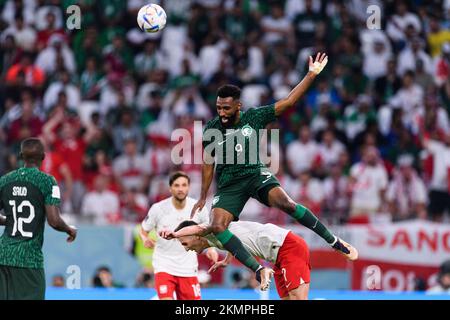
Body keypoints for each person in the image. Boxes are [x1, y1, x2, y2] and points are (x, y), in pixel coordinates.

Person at [190, 53, 357, 290]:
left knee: (287, 203)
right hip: (230, 184)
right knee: (217, 226)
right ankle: (258, 270)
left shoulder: (254, 117)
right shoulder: (212, 128)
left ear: (239, 105)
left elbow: (288, 102)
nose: (222, 113)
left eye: (226, 108)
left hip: (255, 175)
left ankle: (334, 240)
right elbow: (208, 163)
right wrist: (204, 195)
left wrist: (311, 74)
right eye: (218, 108)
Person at [162, 219, 358, 300]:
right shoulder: (218, 238)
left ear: (194, 236)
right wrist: (228, 260)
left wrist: (174, 232)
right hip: (279, 257)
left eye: (185, 243)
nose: (187, 249)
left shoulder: (210, 227)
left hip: (288, 247)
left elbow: (196, 227)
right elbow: (235, 242)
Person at [0, 137, 77, 300]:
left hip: (3, 255)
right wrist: (68, 229)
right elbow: (54, 220)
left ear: (21, 155)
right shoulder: (48, 182)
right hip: (29, 258)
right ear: (43, 157)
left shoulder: (5, 180)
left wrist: (9, 220)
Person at [139, 171, 218, 300]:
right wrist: (145, 239)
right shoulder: (158, 208)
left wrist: (211, 248)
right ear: (170, 188)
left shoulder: (198, 208)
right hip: (164, 265)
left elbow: (209, 231)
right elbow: (143, 229)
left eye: (184, 185)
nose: (180, 189)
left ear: (188, 187)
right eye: (176, 185)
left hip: (188, 267)